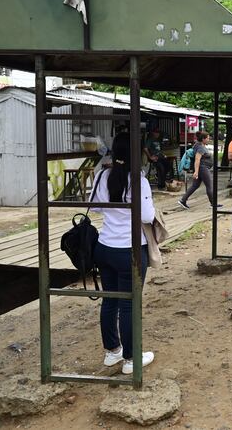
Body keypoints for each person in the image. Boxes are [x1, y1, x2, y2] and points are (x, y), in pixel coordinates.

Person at [90, 133, 156, 375]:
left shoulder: (101, 176)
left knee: (110, 301)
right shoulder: (138, 181)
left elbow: (95, 207)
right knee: (129, 305)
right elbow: (148, 217)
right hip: (130, 250)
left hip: (105, 247)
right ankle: (131, 358)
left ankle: (112, 351)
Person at [178, 131, 220, 210]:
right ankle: (213, 204)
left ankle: (183, 200)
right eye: (207, 138)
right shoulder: (200, 147)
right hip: (203, 168)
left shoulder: (199, 145)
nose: (209, 139)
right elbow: (197, 159)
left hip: (202, 168)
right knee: (209, 185)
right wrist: (196, 172)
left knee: (195, 185)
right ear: (203, 139)